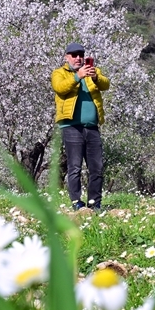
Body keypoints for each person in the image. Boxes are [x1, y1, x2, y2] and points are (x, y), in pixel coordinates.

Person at [52, 41, 110, 210]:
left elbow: (106, 84)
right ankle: (77, 203)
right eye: (74, 55)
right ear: (66, 57)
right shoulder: (59, 73)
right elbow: (60, 88)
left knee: (96, 168)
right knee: (75, 167)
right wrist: (78, 76)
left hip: (92, 127)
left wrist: (95, 77)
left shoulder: (93, 71)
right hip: (71, 127)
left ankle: (94, 203)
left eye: (81, 55)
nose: (78, 58)